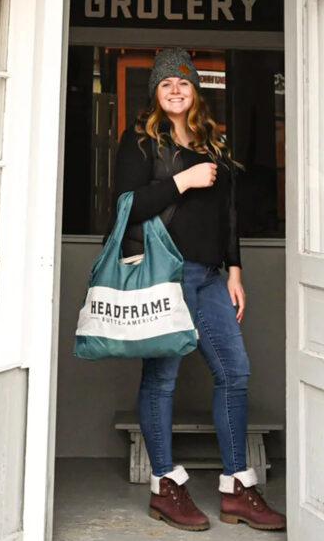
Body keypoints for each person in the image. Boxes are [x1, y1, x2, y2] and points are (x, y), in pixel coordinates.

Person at [112, 48, 286, 532]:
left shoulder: (214, 142)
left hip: (210, 276)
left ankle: (235, 487)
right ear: (155, 92)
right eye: (166, 83)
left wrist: (234, 270)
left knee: (234, 372)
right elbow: (126, 205)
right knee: (162, 378)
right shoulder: (141, 140)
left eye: (183, 83)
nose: (175, 90)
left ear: (195, 91)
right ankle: (165, 485)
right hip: (166, 273)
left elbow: (228, 213)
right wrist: (182, 180)